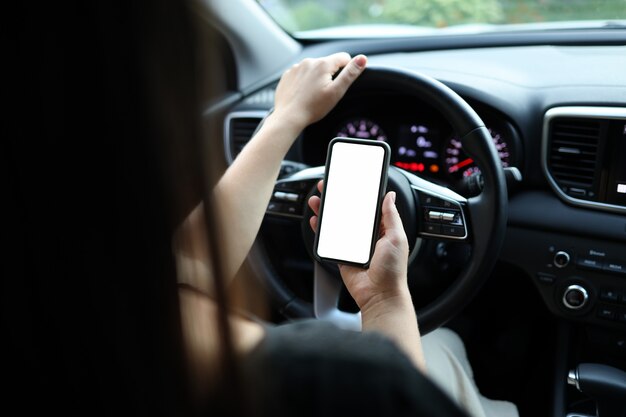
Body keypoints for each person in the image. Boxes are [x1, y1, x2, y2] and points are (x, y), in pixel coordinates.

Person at [5, 1, 517, 417]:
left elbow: (189, 272)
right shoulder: (336, 381)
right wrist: (384, 304)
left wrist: (286, 118)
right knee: (447, 348)